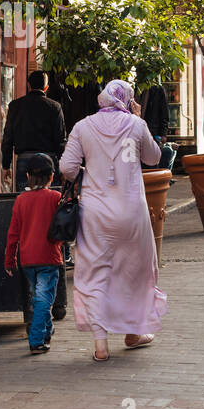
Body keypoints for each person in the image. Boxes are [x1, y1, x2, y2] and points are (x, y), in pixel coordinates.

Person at [58, 80, 165, 363]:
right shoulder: (136, 125)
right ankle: (133, 333)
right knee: (134, 271)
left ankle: (101, 344)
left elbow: (67, 168)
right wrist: (139, 119)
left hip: (95, 213)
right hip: (132, 211)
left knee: (96, 273)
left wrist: (90, 171)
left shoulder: (82, 126)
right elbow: (154, 158)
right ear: (127, 100)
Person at [3, 153, 64, 355]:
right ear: (51, 176)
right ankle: (37, 340)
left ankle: (46, 330)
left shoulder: (21, 200)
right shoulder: (56, 198)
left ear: (28, 176)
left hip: (27, 260)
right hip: (49, 258)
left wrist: (10, 259)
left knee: (40, 297)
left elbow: (13, 234)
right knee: (44, 299)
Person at [1, 71, 67, 191]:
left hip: (24, 161)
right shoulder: (55, 107)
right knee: (50, 202)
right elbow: (61, 140)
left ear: (28, 85)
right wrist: (64, 169)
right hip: (49, 162)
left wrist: (6, 165)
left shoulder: (15, 106)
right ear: (46, 88)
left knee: (25, 201)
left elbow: (8, 138)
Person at [140, 83, 176, 171]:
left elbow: (164, 113)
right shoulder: (136, 88)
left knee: (152, 163)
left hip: (152, 132)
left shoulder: (157, 89)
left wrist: (163, 134)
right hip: (140, 132)